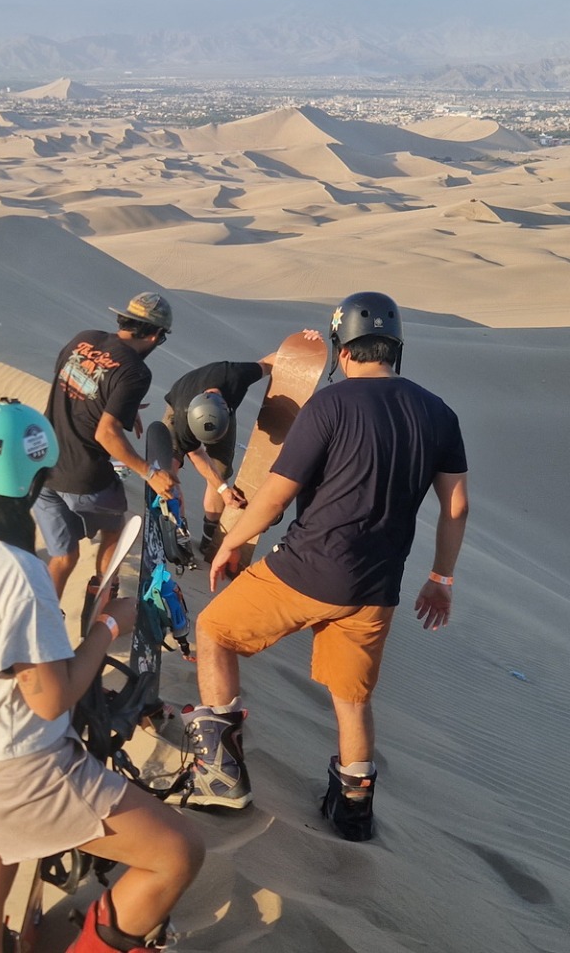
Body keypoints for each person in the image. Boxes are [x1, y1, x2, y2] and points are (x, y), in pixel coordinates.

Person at [0, 399, 203, 953]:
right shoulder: (15, 572)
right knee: (177, 853)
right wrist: (108, 626)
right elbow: (50, 699)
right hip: (17, 770)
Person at [180, 291, 469, 842]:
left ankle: (220, 775)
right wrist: (441, 578)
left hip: (307, 569)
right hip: (375, 587)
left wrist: (231, 542)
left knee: (214, 630)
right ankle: (353, 811)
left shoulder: (328, 406)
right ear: (395, 348)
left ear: (343, 350)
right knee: (352, 698)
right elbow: (457, 507)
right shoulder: (440, 413)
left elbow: (274, 498)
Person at [36, 292, 179, 598]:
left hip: (42, 468)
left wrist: (118, 406)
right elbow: (106, 434)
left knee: (64, 556)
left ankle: (43, 616)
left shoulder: (83, 339)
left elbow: (70, 383)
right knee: (116, 529)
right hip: (84, 478)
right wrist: (150, 473)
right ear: (155, 335)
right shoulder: (135, 372)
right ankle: (101, 594)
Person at [160, 333, 319, 563]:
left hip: (217, 416)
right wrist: (223, 489)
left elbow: (270, 362)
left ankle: (209, 538)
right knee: (168, 474)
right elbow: (196, 453)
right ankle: (176, 528)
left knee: (220, 472)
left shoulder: (235, 375)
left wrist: (302, 348)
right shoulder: (183, 420)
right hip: (182, 409)